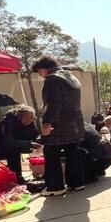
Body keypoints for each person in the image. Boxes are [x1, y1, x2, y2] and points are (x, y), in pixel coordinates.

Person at [32, 56, 86, 196]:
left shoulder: (52, 80)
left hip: (58, 125)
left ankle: (55, 187)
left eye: (39, 72)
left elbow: (54, 104)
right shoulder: (71, 78)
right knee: (73, 153)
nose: (40, 76)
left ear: (43, 69)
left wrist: (47, 123)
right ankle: (77, 183)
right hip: (75, 123)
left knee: (51, 153)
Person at [0, 105, 41, 184]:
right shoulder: (8, 123)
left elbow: (35, 135)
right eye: (27, 117)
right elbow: (8, 141)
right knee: (13, 150)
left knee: (15, 149)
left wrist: (39, 140)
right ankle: (16, 177)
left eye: (32, 118)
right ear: (20, 117)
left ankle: (18, 177)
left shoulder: (29, 123)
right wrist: (29, 144)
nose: (29, 120)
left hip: (8, 147)